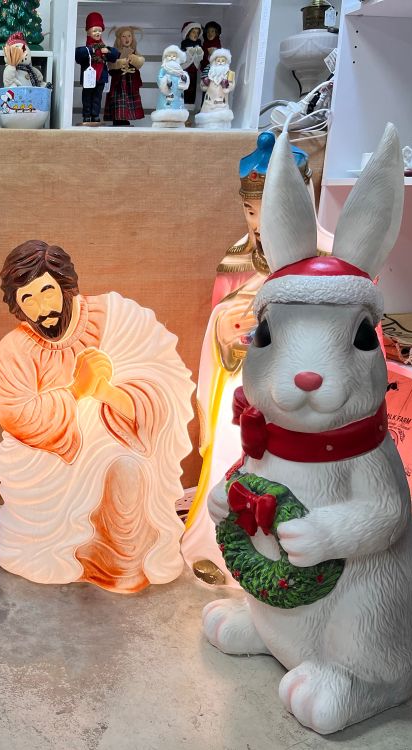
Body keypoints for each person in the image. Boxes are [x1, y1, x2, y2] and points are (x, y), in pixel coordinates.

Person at [0, 240, 195, 593]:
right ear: (18, 307)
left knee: (127, 467)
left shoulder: (116, 318)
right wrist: (75, 391)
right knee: (67, 471)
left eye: (47, 291)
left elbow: (160, 391)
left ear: (66, 285)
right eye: (28, 300)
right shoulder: (16, 347)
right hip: (46, 449)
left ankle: (118, 566)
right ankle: (68, 554)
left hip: (117, 437)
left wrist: (105, 394)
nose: (42, 308)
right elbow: (15, 414)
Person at [181, 134, 335, 586]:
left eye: (269, 211)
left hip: (302, 393)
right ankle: (216, 542)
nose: (259, 224)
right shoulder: (236, 261)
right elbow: (218, 324)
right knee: (235, 454)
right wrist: (226, 333)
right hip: (246, 387)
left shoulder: (329, 260)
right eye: (250, 212)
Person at [75, 12, 119, 125]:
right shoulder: (86, 48)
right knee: (87, 97)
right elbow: (78, 55)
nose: (97, 33)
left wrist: (108, 51)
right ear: (88, 31)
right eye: (95, 30)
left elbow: (115, 55)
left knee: (97, 98)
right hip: (89, 77)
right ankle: (86, 116)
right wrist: (92, 50)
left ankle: (95, 116)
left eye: (99, 30)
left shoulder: (104, 47)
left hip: (100, 77)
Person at [103, 26, 145, 126]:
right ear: (119, 38)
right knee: (118, 101)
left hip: (130, 82)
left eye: (129, 36)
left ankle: (125, 117)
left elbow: (140, 62)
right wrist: (120, 62)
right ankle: (118, 118)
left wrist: (134, 59)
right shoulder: (114, 52)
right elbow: (110, 65)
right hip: (118, 82)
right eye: (124, 36)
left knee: (129, 100)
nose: (127, 39)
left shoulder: (134, 52)